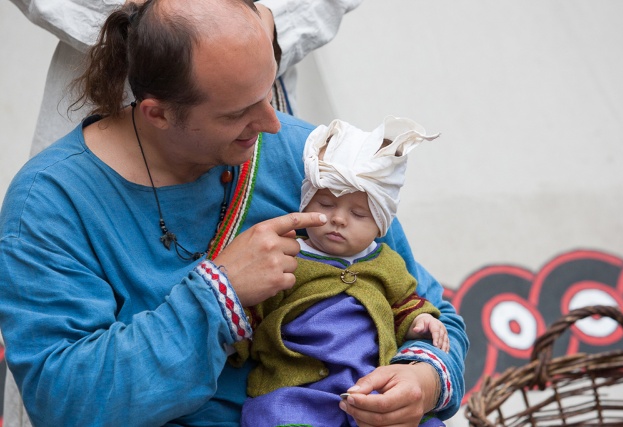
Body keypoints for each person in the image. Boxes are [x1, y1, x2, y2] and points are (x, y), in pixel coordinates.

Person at [0, 1, 468, 426]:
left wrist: (423, 379)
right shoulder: (50, 203)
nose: (270, 122)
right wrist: (218, 294)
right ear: (157, 113)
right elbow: (63, 400)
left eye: (268, 93)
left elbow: (429, 310)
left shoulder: (314, 160)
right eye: (237, 113)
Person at [237, 116, 449, 427]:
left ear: (380, 226)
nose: (338, 219)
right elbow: (255, 304)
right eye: (324, 203)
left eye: (358, 213)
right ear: (305, 203)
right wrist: (235, 339)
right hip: (298, 384)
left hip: (369, 386)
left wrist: (421, 320)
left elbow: (404, 303)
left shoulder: (386, 262)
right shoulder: (286, 253)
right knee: (277, 415)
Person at [8, 0, 363, 157]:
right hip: (112, 84)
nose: (270, 125)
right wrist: (142, 20)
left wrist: (267, 21)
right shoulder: (54, 193)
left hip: (256, 61)